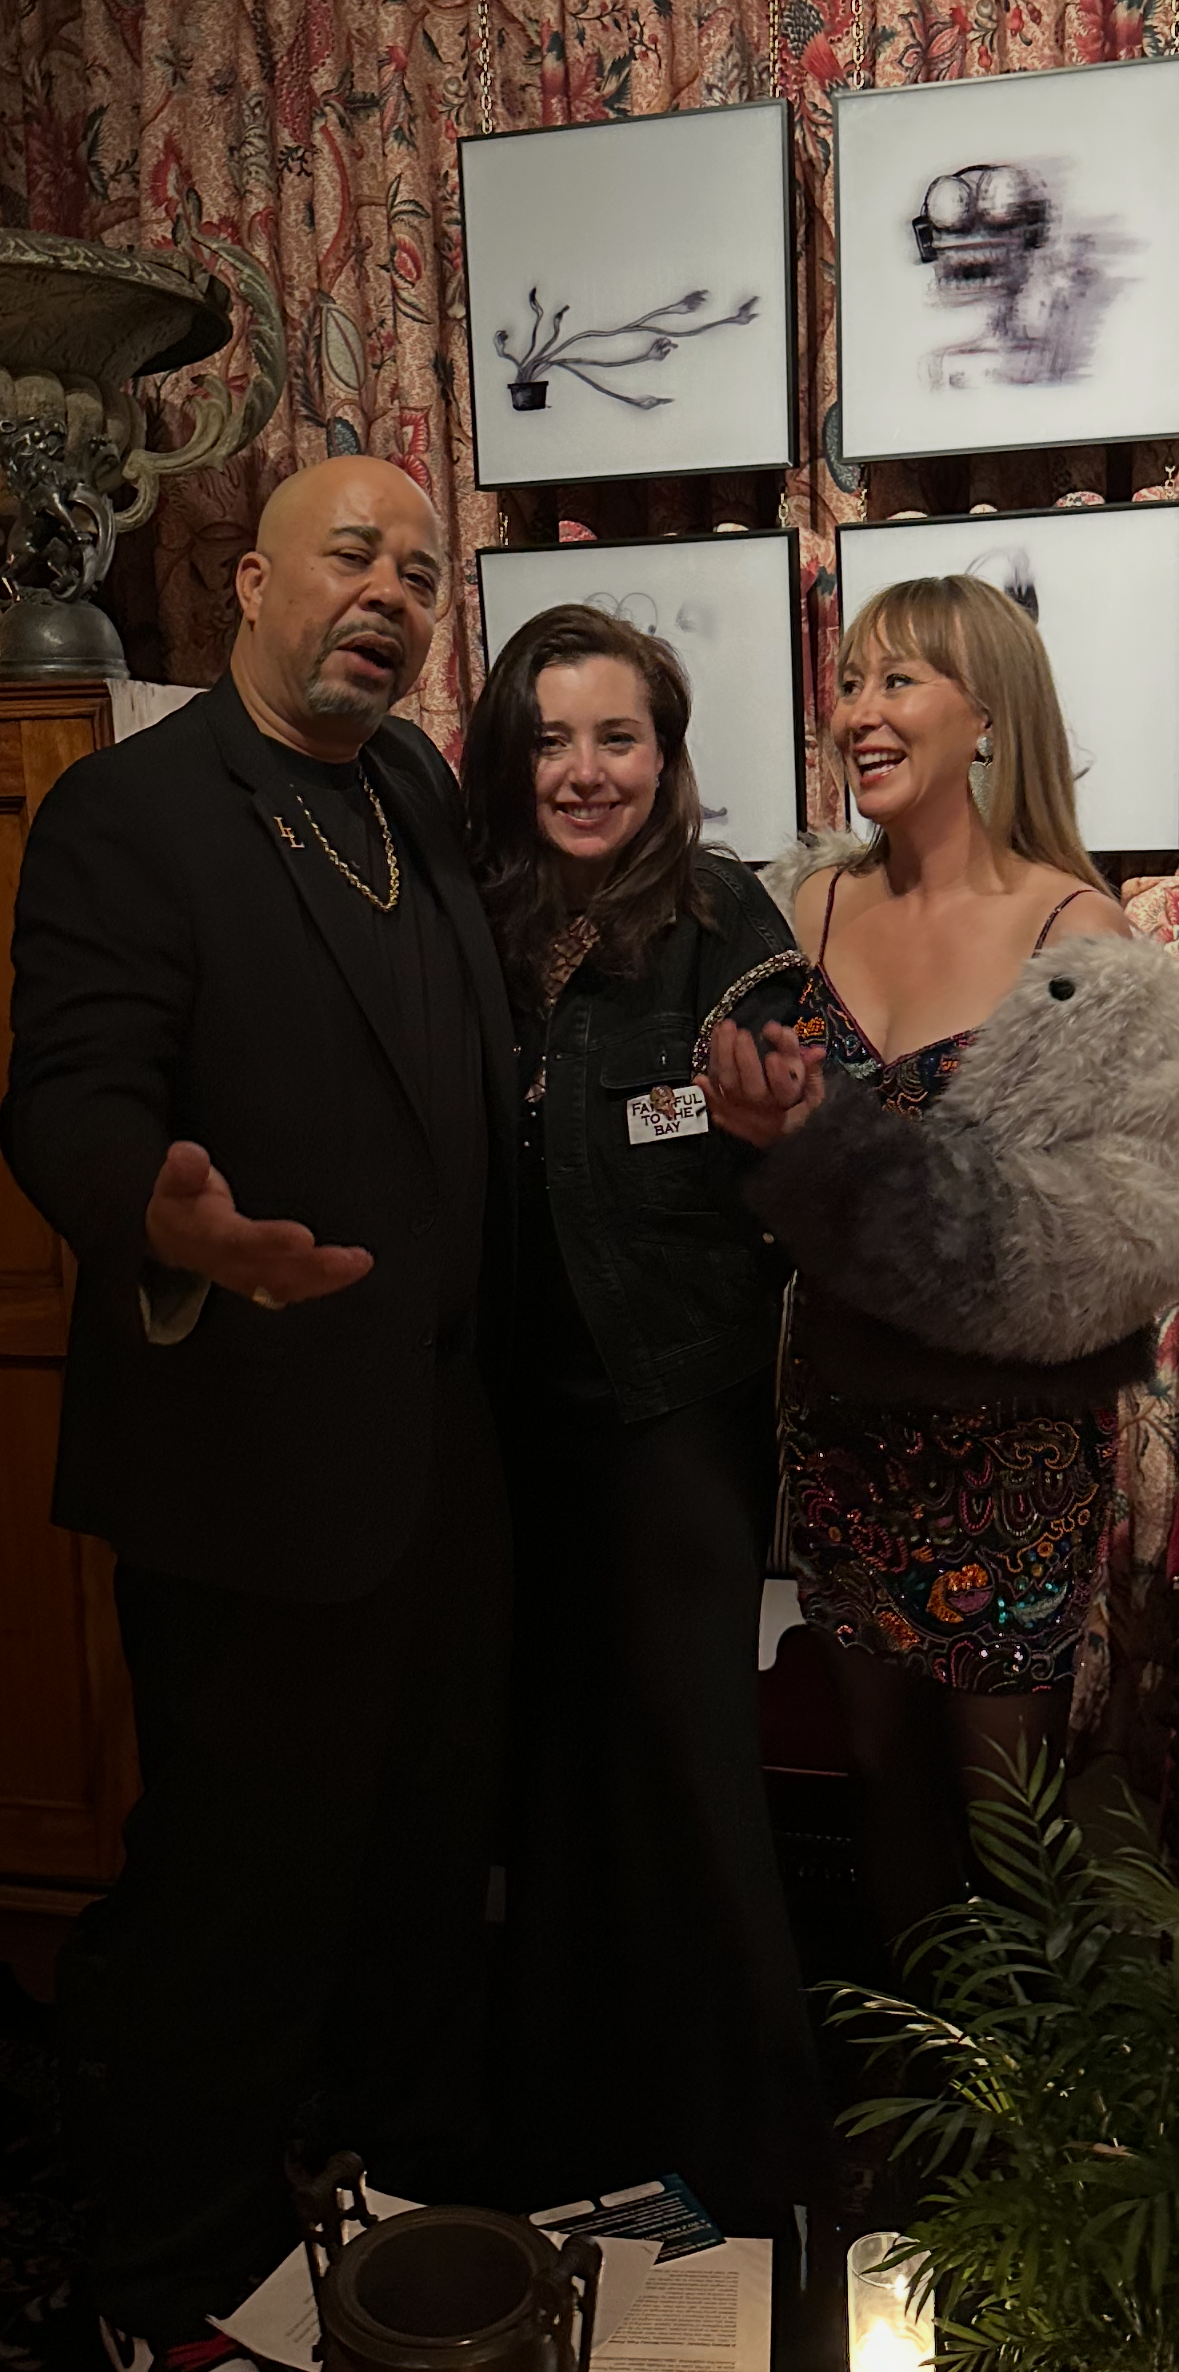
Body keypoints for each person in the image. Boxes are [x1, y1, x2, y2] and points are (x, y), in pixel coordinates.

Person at [0, 456, 517, 2372]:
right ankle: (172, 2288)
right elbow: (62, 1092)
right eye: (352, 556)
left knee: (415, 1870)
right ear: (247, 583)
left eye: (418, 567)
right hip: (248, 1462)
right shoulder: (133, 811)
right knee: (235, 1902)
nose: (389, 589)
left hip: (443, 1460)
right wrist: (165, 1218)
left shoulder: (411, 795)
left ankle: (388, 2215)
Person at [699, 574, 1179, 1966]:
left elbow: (1114, 1230)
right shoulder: (802, 909)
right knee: (875, 1770)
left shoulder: (1071, 931)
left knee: (1006, 1810)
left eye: (898, 681)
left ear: (985, 717)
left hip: (1005, 1443)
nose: (859, 711)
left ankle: (1029, 2136)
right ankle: (914, 2123)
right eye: (850, 682)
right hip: (838, 1416)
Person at [461, 603, 829, 2226]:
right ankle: (563, 2136)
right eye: (551, 738)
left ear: (666, 756)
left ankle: (756, 2163)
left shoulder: (717, 914)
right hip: (501, 1417)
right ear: (506, 752)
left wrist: (784, 1128)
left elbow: (809, 1146)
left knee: (686, 1773)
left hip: (673, 1404)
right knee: (540, 1778)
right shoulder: (473, 912)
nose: (585, 771)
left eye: (618, 737)